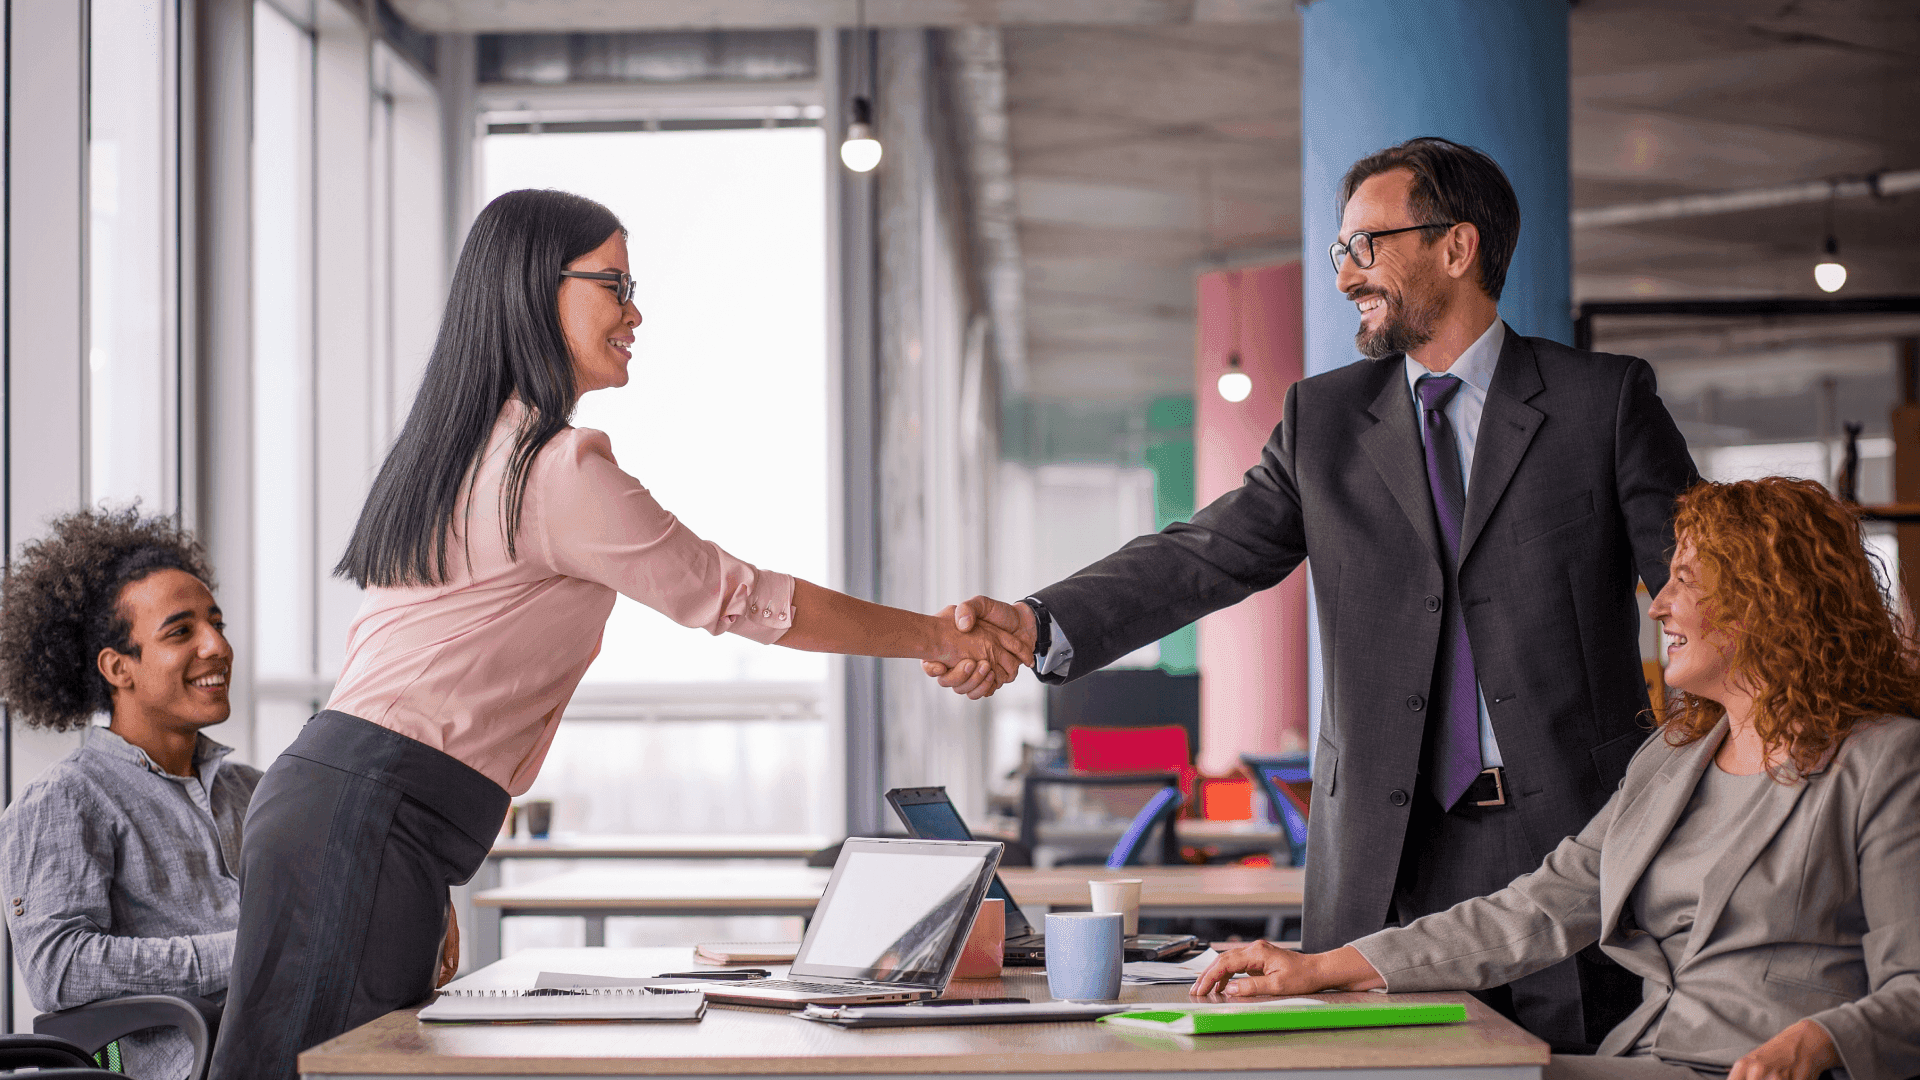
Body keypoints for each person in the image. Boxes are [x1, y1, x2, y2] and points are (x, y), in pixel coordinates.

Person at [207, 189, 1028, 1080]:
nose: (635, 311)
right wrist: (935, 638)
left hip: (352, 806)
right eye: (614, 284)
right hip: (370, 815)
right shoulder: (553, 470)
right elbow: (738, 597)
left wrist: (411, 864)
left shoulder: (456, 451)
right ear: (534, 290)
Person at [926, 137, 1699, 1044]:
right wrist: (1034, 620)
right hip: (1383, 850)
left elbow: (1708, 586)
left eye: (1368, 247)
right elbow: (1203, 555)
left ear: (1459, 247)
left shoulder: (1600, 403)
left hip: (1573, 838)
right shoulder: (1324, 420)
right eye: (1343, 251)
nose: (1345, 277)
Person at [1192, 477, 1920, 1080]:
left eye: (1686, 581)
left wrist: (1820, 1041)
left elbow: (1913, 988)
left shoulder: (1884, 760)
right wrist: (1324, 967)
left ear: (1770, 600)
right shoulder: (1673, 753)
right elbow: (1535, 908)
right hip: (1642, 1057)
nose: (1659, 602)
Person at [0, 508, 270, 1080]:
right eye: (181, 632)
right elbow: (59, 968)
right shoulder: (66, 799)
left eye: (216, 623)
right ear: (118, 667)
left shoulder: (255, 790)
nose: (217, 646)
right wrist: (248, 951)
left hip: (309, 1040)